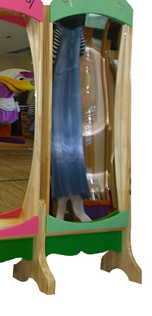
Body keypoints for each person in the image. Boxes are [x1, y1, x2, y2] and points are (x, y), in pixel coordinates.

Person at [51, 15, 91, 222]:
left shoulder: (59, 30)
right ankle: (77, 206)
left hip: (60, 79)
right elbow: (82, 50)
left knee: (60, 138)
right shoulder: (78, 31)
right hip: (73, 77)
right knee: (71, 136)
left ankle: (62, 207)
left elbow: (51, 57)